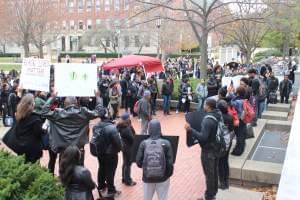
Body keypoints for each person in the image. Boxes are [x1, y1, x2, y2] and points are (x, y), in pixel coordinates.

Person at [40, 92, 102, 166]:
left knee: (64, 172)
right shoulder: (83, 113)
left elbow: (44, 111)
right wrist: (98, 97)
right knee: (79, 171)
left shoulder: (58, 114)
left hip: (64, 150)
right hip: (78, 149)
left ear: (65, 104)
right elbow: (99, 112)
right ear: (76, 103)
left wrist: (52, 97)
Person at [185, 99, 221, 200]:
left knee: (209, 174)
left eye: (205, 104)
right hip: (216, 148)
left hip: (208, 151)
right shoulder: (218, 115)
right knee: (214, 172)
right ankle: (213, 192)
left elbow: (202, 137)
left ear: (208, 106)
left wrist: (190, 129)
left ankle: (209, 196)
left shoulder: (207, 120)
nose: (203, 106)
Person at [136, 119, 174, 200]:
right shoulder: (166, 143)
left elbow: (138, 163)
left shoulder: (144, 143)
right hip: (163, 178)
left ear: (149, 129)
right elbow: (170, 163)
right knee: (163, 198)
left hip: (147, 178)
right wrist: (167, 175)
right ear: (160, 129)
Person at [94, 107, 122, 198]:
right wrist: (119, 148)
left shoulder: (96, 126)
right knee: (110, 171)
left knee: (101, 168)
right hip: (110, 154)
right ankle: (111, 190)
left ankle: (101, 186)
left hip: (100, 152)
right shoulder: (112, 127)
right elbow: (118, 142)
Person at [14, 94, 45, 163]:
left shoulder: (19, 115)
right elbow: (38, 133)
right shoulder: (35, 118)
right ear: (31, 104)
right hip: (32, 151)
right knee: (32, 170)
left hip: (20, 147)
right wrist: (44, 130)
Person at [217, 100, 234, 190]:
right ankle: (226, 182)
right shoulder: (230, 117)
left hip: (221, 143)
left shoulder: (219, 118)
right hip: (229, 142)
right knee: (225, 161)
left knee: (220, 163)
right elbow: (232, 130)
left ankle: (222, 183)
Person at [117, 112, 136, 186]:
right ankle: (128, 180)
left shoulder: (121, 126)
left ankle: (124, 178)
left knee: (125, 163)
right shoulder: (126, 128)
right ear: (127, 118)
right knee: (128, 164)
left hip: (124, 146)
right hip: (128, 147)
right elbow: (132, 138)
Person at [231, 86, 248, 156]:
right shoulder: (244, 99)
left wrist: (230, 93)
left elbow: (231, 103)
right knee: (242, 134)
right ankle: (241, 148)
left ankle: (238, 151)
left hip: (238, 119)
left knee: (239, 135)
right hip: (244, 119)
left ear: (238, 93)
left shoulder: (238, 101)